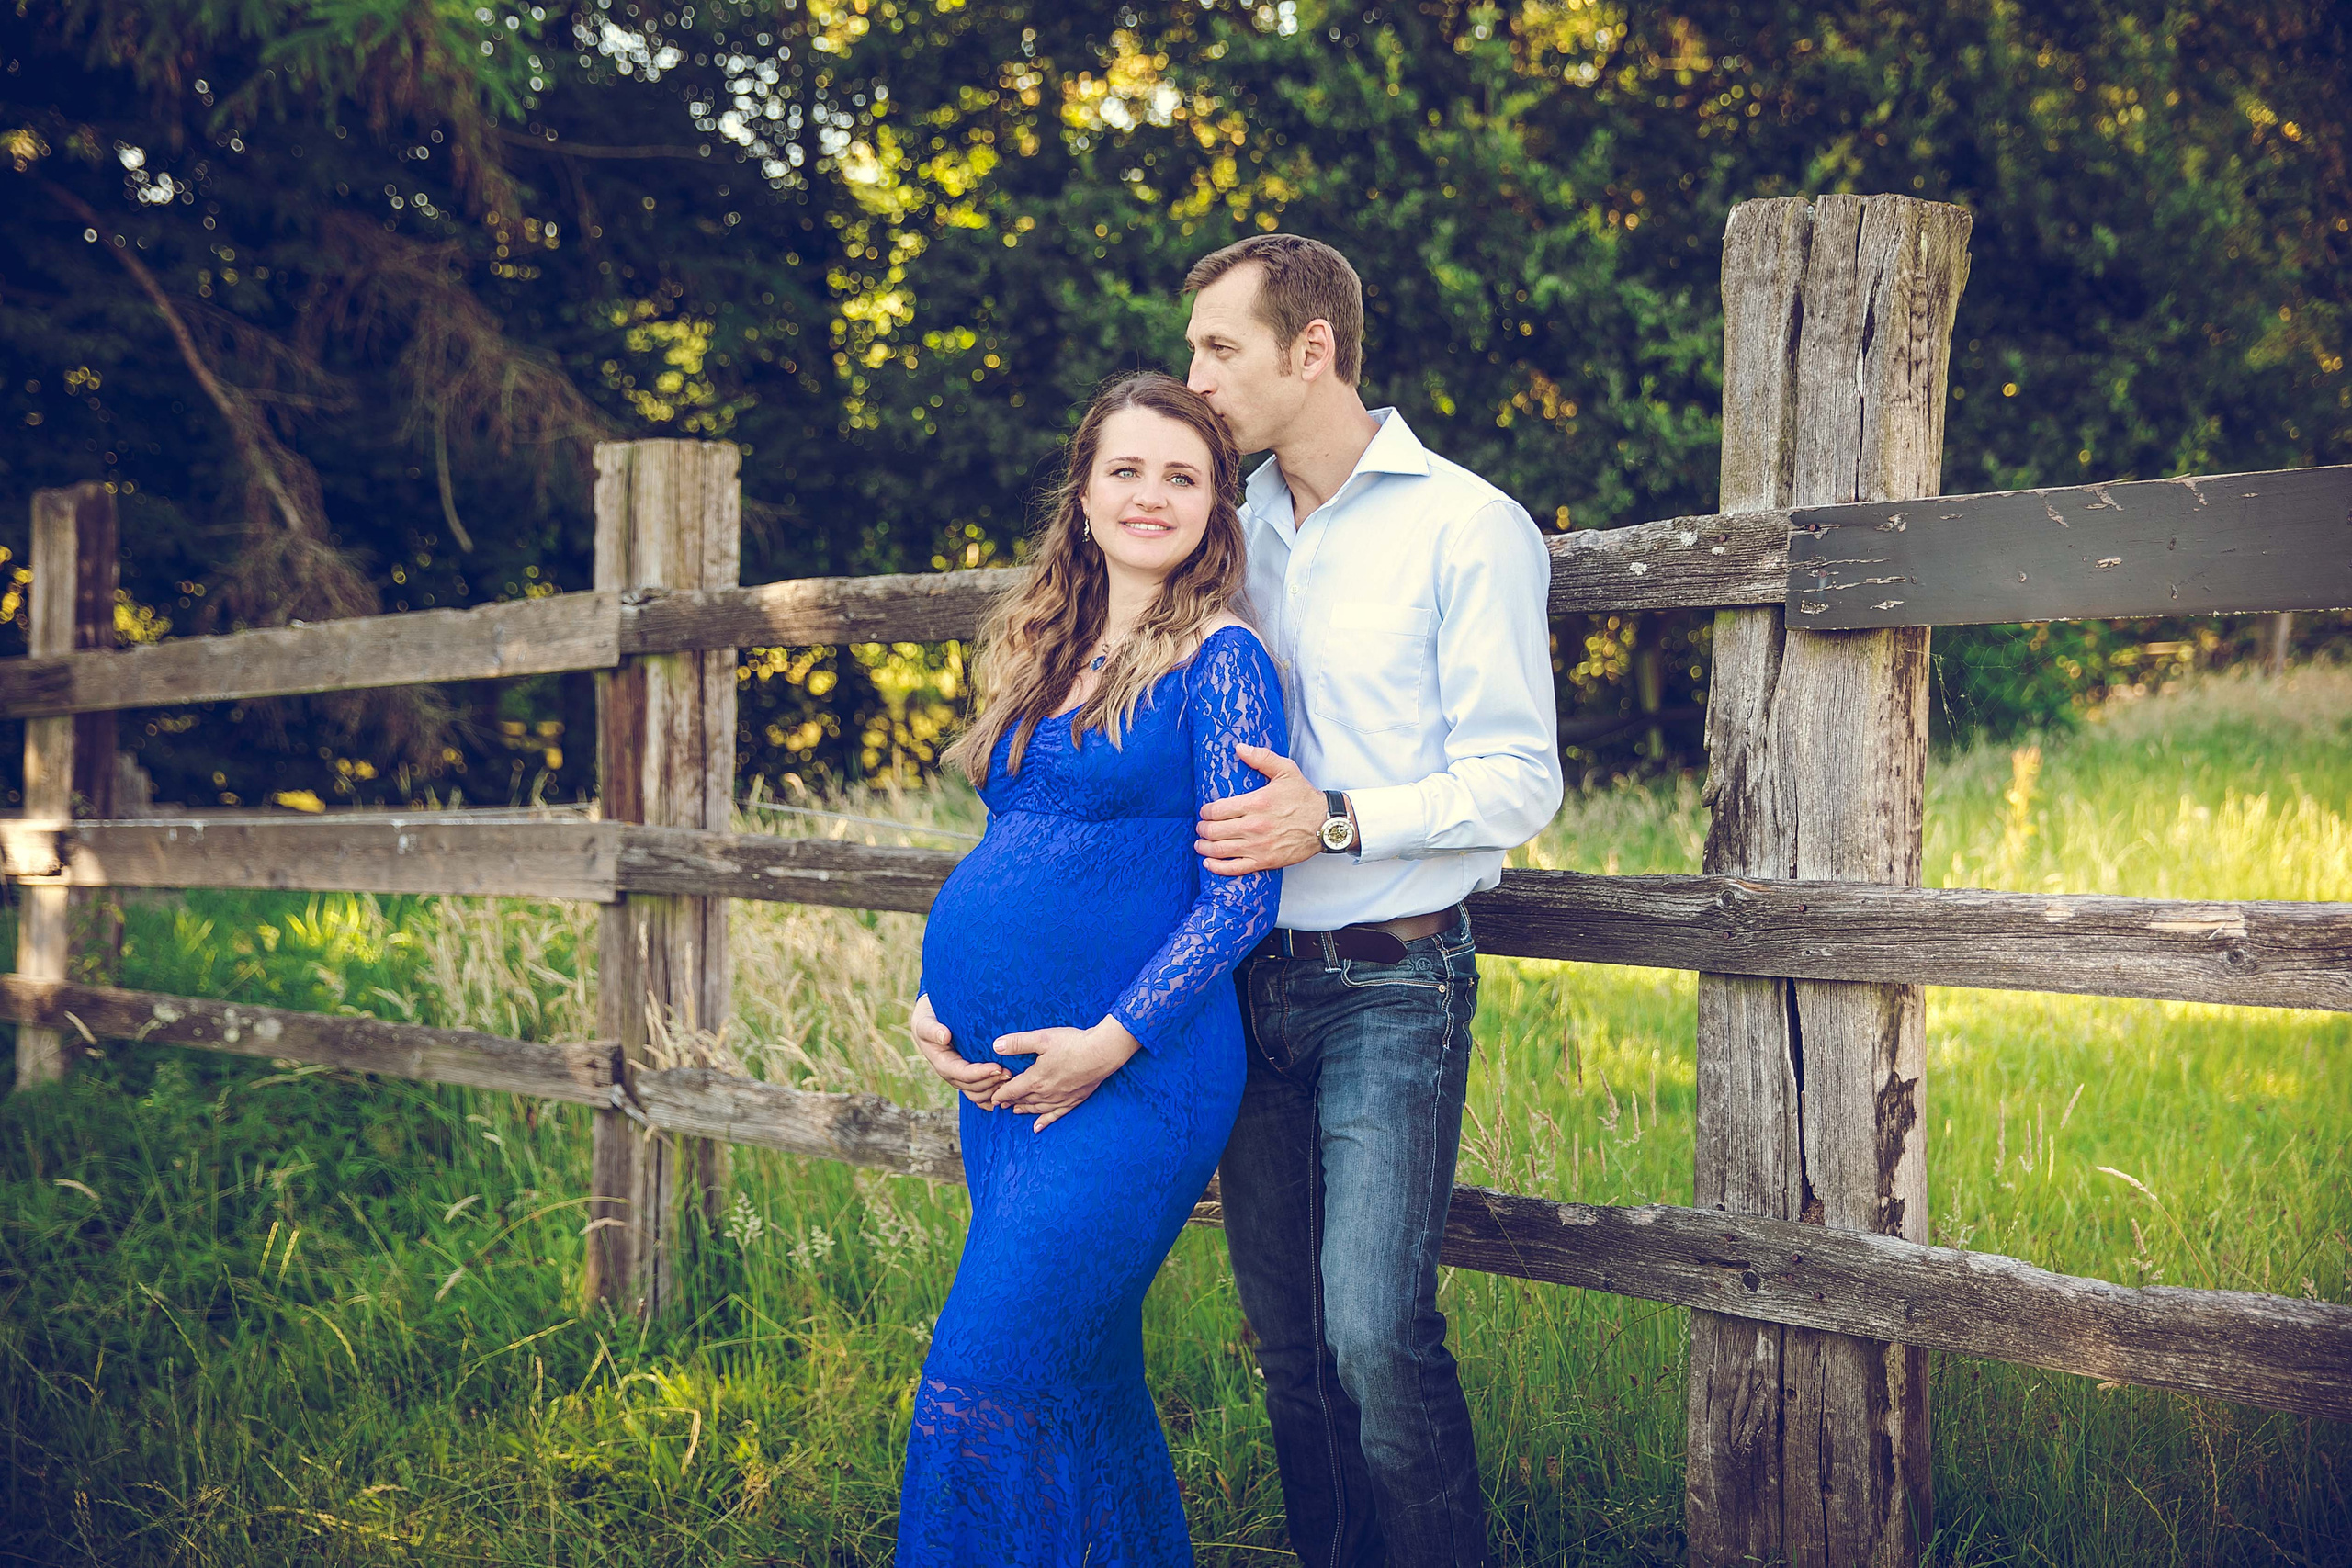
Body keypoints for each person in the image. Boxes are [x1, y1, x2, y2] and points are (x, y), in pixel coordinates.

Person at [1182, 234, 1565, 1567]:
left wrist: (1333, 817)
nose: (1197, 377)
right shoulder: (1225, 534)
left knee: (1373, 1333)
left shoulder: (1467, 525)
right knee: (1289, 1349)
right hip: (1245, 986)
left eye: (1219, 347)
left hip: (1392, 982)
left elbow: (1519, 779)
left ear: (1314, 350)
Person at [899, 370, 1289, 1567]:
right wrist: (936, 997)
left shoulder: (1220, 661)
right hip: (1008, 1095)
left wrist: (1105, 1043)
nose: (1151, 495)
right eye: (1127, 469)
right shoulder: (1051, 647)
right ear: (1082, 491)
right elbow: (1013, 838)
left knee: (981, 1378)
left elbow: (1244, 897)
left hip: (1136, 1083)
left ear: (1216, 507)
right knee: (1081, 1380)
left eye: (1183, 476)